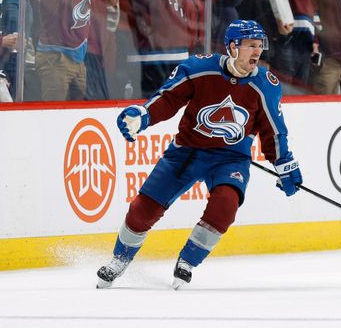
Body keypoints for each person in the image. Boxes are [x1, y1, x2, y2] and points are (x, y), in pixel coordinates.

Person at [97, 20, 303, 290]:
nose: (257, 52)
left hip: (230, 160)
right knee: (143, 209)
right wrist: (144, 115)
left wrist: (284, 163)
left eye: (259, 46)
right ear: (232, 47)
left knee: (225, 205)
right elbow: (168, 99)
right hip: (186, 153)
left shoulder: (265, 85)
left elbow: (273, 131)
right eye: (250, 46)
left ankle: (188, 261)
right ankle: (119, 260)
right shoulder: (199, 68)